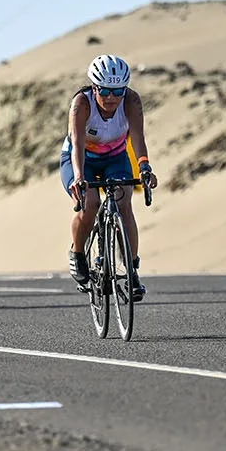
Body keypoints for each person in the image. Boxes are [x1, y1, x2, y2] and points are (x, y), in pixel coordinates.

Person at [62, 54, 158, 299]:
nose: (111, 97)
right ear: (94, 87)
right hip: (81, 158)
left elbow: (137, 137)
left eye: (117, 91)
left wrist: (145, 167)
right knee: (90, 203)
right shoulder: (81, 104)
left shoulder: (131, 101)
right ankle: (78, 253)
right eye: (104, 91)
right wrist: (80, 177)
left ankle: (132, 271)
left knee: (124, 203)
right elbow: (77, 143)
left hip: (115, 158)